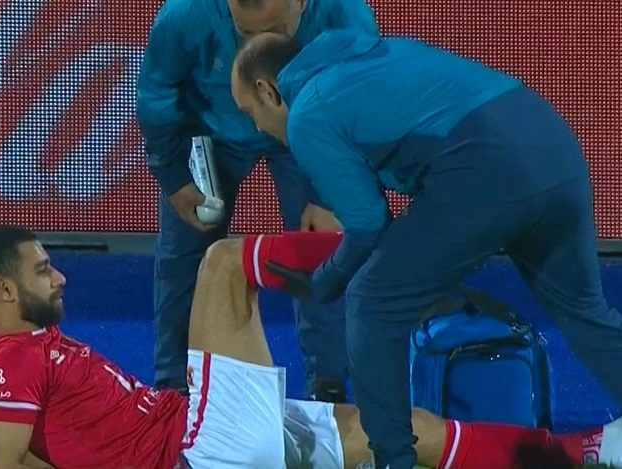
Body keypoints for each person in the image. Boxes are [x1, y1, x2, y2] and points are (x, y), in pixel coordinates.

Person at [230, 29, 622, 468]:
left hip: (488, 171)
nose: (257, 127)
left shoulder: (307, 113)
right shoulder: (373, 54)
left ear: (268, 90)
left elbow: (368, 224)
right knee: (584, 311)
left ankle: (394, 459)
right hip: (555, 150)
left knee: (372, 304)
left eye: (249, 112)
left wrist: (325, 280)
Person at [0, 225, 622, 469]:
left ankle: (586, 452)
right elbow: (3, 464)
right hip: (199, 449)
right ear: (4, 290)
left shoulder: (38, 344)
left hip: (209, 439)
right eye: (43, 270)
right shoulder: (10, 360)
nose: (60, 276)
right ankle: (390, 254)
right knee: (223, 263)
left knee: (406, 429)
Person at [135, 0, 380, 399]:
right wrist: (174, 178)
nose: (257, 48)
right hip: (210, 129)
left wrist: (329, 194)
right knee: (184, 252)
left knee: (321, 245)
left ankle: (328, 385)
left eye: (276, 31)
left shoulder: (343, 13)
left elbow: (360, 99)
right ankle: (175, 385)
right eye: (244, 33)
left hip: (307, 130)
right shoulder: (185, 14)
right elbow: (157, 92)